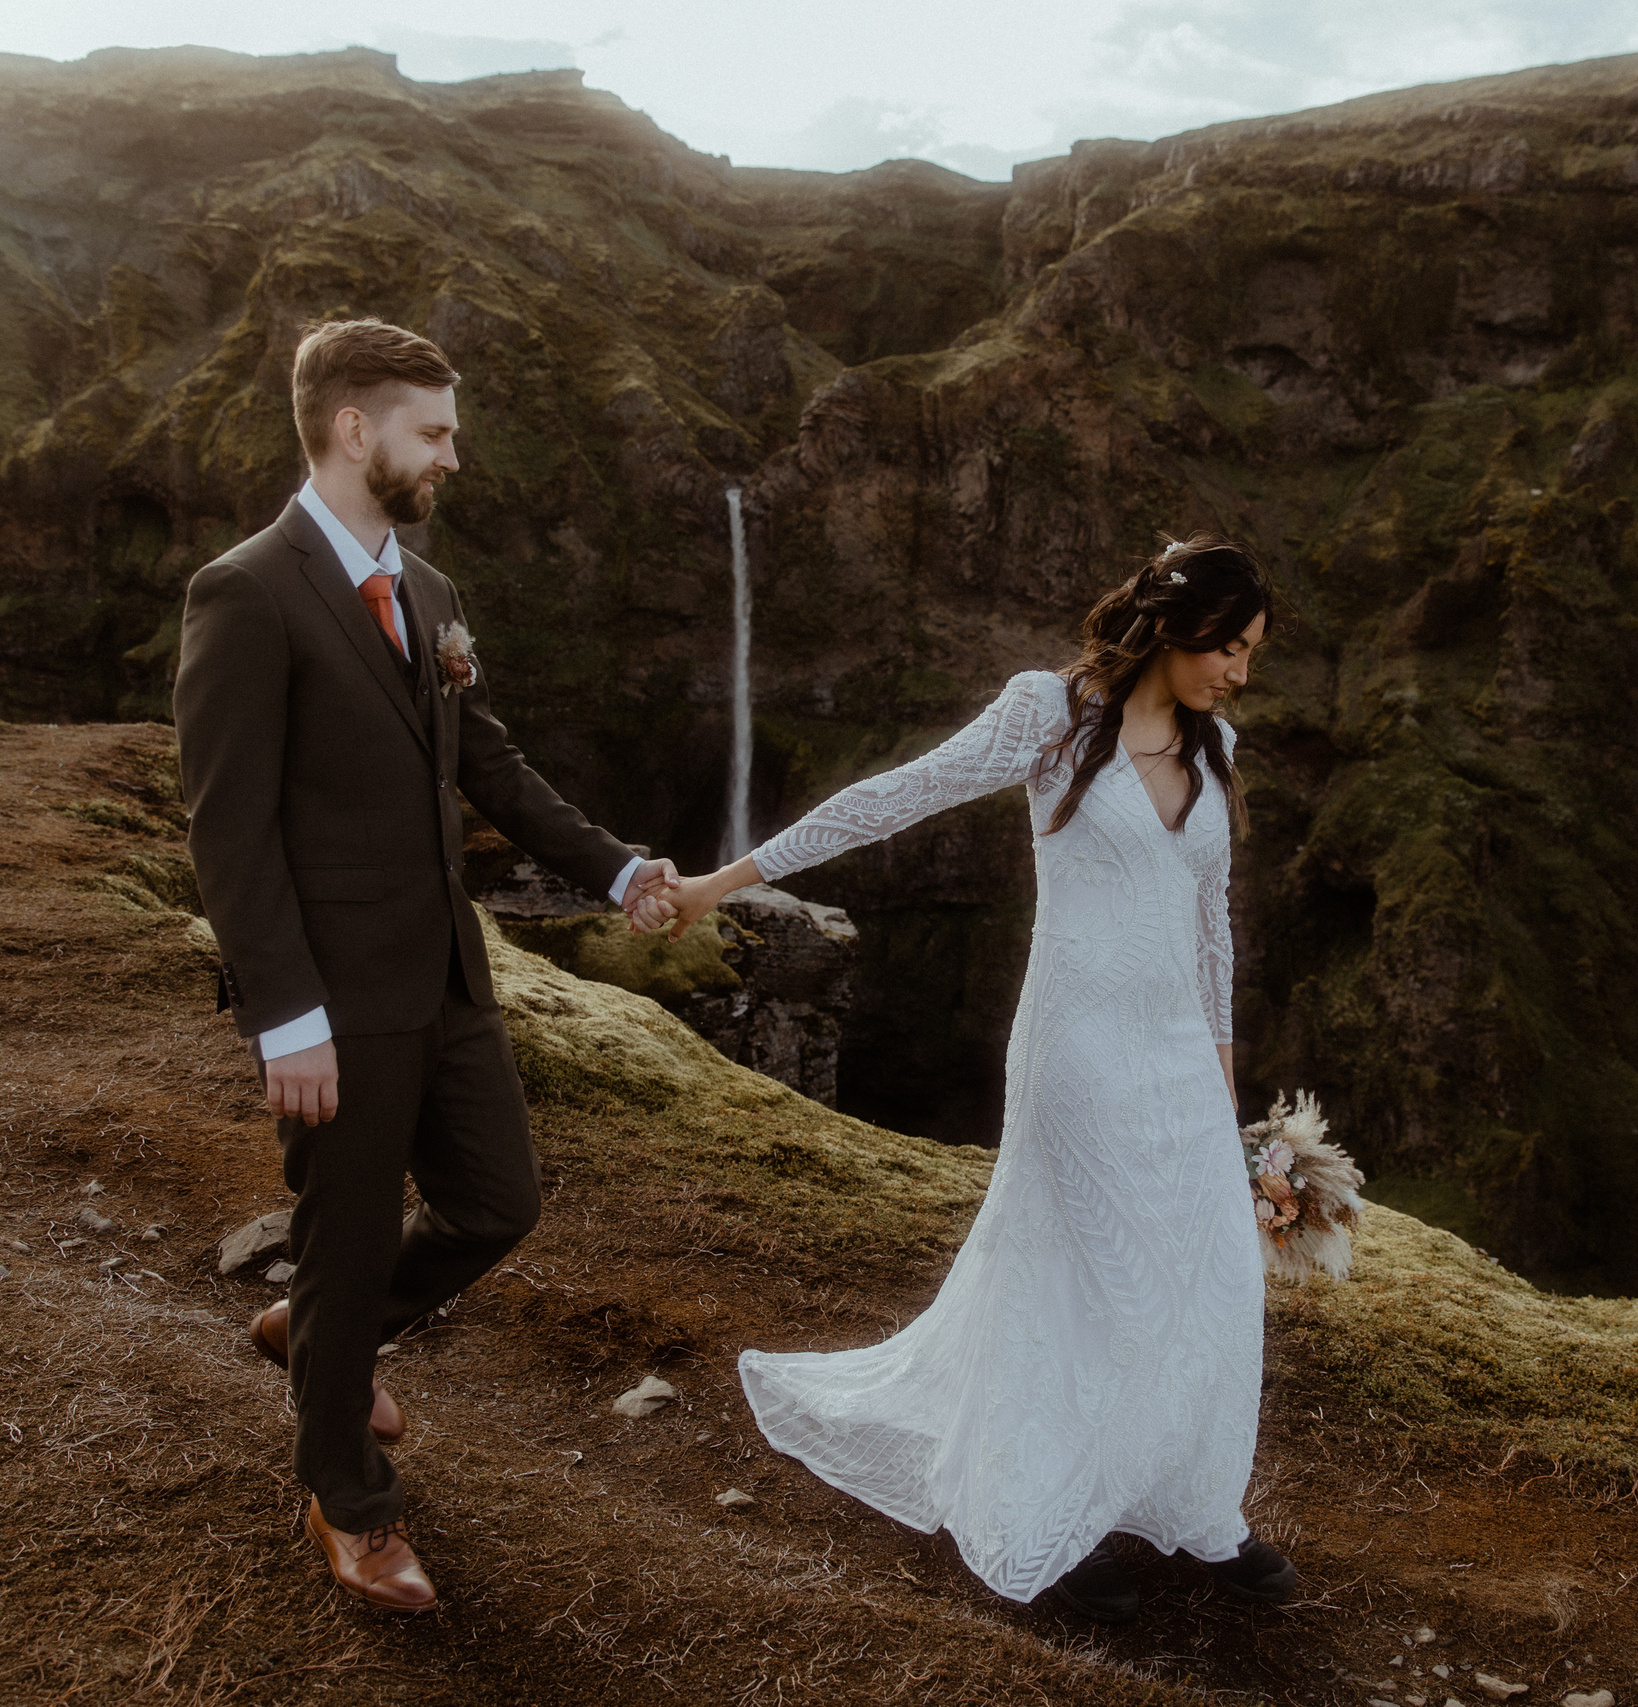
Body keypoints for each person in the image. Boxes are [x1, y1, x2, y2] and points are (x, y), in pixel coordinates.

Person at [663, 536, 1295, 1622]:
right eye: (1227, 648)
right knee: (1087, 1272)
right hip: (1078, 1048)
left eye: (1248, 654)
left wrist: (1223, 1089)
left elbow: (1210, 932)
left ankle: (1195, 1507)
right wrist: (723, 882)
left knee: (1214, 1275)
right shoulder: (1051, 716)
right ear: (1174, 627)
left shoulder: (1216, 742)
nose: (1239, 673)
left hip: (1177, 1057)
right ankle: (1047, 1507)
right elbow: (892, 798)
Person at [173, 317, 678, 1613]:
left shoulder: (434, 595)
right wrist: (285, 1016)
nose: (455, 456)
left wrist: (619, 871)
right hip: (331, 1001)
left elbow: (492, 764)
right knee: (342, 1241)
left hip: (449, 976)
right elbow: (229, 830)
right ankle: (349, 1498)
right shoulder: (247, 591)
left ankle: (320, 1338)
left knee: (498, 1198)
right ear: (357, 429)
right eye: (436, 430)